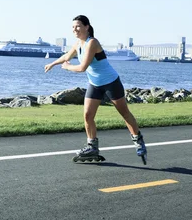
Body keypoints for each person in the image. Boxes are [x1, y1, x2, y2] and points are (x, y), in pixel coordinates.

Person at [44, 15, 147, 163]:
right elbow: (67, 55)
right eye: (73, 27)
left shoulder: (92, 43)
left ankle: (138, 140)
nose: (75, 29)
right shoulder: (78, 44)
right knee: (87, 115)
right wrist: (52, 64)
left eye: (78, 26)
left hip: (111, 82)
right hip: (95, 84)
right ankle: (92, 146)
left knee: (124, 113)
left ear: (87, 27)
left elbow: (82, 67)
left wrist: (67, 67)